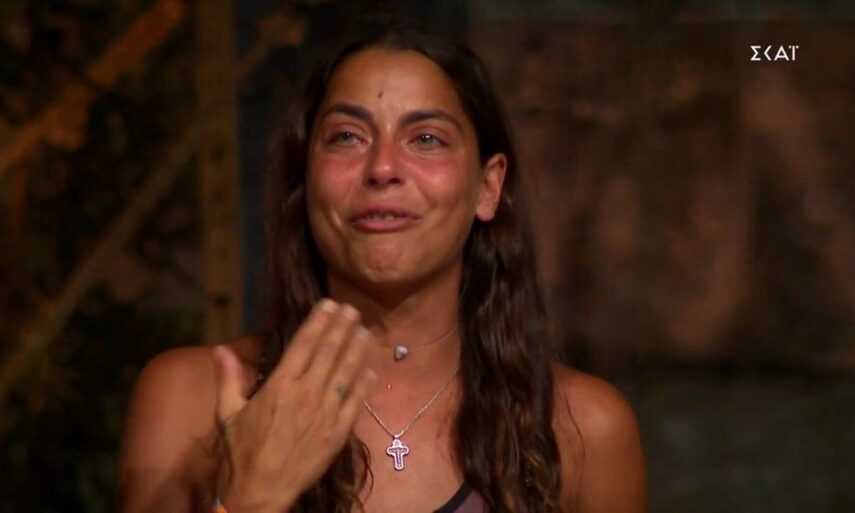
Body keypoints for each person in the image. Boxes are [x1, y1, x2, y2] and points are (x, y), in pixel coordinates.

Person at [118, 28, 646, 513]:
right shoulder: (193, 398)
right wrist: (249, 497)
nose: (383, 168)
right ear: (306, 179)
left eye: (426, 139)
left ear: (488, 187)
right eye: (347, 137)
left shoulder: (584, 429)